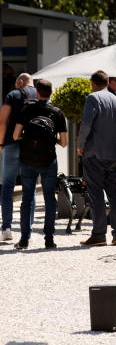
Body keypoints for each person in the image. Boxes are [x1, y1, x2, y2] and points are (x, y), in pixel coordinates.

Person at [77, 70, 116, 246]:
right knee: (113, 193)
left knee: (96, 194)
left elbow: (86, 124)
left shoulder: (93, 98)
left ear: (93, 83)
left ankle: (99, 234)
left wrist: (80, 144)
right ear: (108, 82)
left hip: (95, 154)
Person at [12, 79, 67, 250]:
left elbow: (15, 135)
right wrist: (52, 138)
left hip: (27, 159)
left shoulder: (27, 108)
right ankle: (49, 239)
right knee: (50, 198)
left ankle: (24, 239)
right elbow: (64, 143)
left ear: (37, 92)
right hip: (49, 161)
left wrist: (27, 138)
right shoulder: (57, 112)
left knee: (27, 198)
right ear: (50, 93)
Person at [0, 73, 36, 242]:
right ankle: (27, 229)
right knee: (30, 187)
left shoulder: (13, 95)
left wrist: (1, 143)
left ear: (20, 82)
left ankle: (6, 228)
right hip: (32, 147)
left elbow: (2, 120)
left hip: (11, 144)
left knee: (7, 185)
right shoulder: (40, 94)